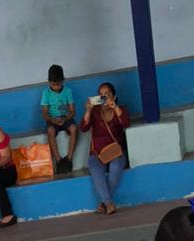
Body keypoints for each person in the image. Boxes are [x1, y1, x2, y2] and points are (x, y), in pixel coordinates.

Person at [79, 82, 129, 215]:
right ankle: (108, 202)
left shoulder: (120, 109)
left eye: (107, 94)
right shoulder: (95, 112)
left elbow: (126, 123)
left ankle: (104, 203)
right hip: (97, 153)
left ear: (114, 96)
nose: (104, 97)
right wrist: (88, 110)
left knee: (116, 167)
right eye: (101, 95)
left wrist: (115, 107)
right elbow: (83, 128)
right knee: (95, 169)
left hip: (115, 152)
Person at [40, 63, 77, 174]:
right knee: (50, 131)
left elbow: (73, 111)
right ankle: (58, 160)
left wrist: (65, 118)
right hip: (52, 119)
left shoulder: (68, 91)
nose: (56, 87)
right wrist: (52, 120)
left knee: (74, 128)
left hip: (65, 118)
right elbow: (44, 113)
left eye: (59, 84)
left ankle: (69, 158)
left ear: (63, 81)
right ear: (48, 82)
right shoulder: (46, 93)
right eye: (53, 84)